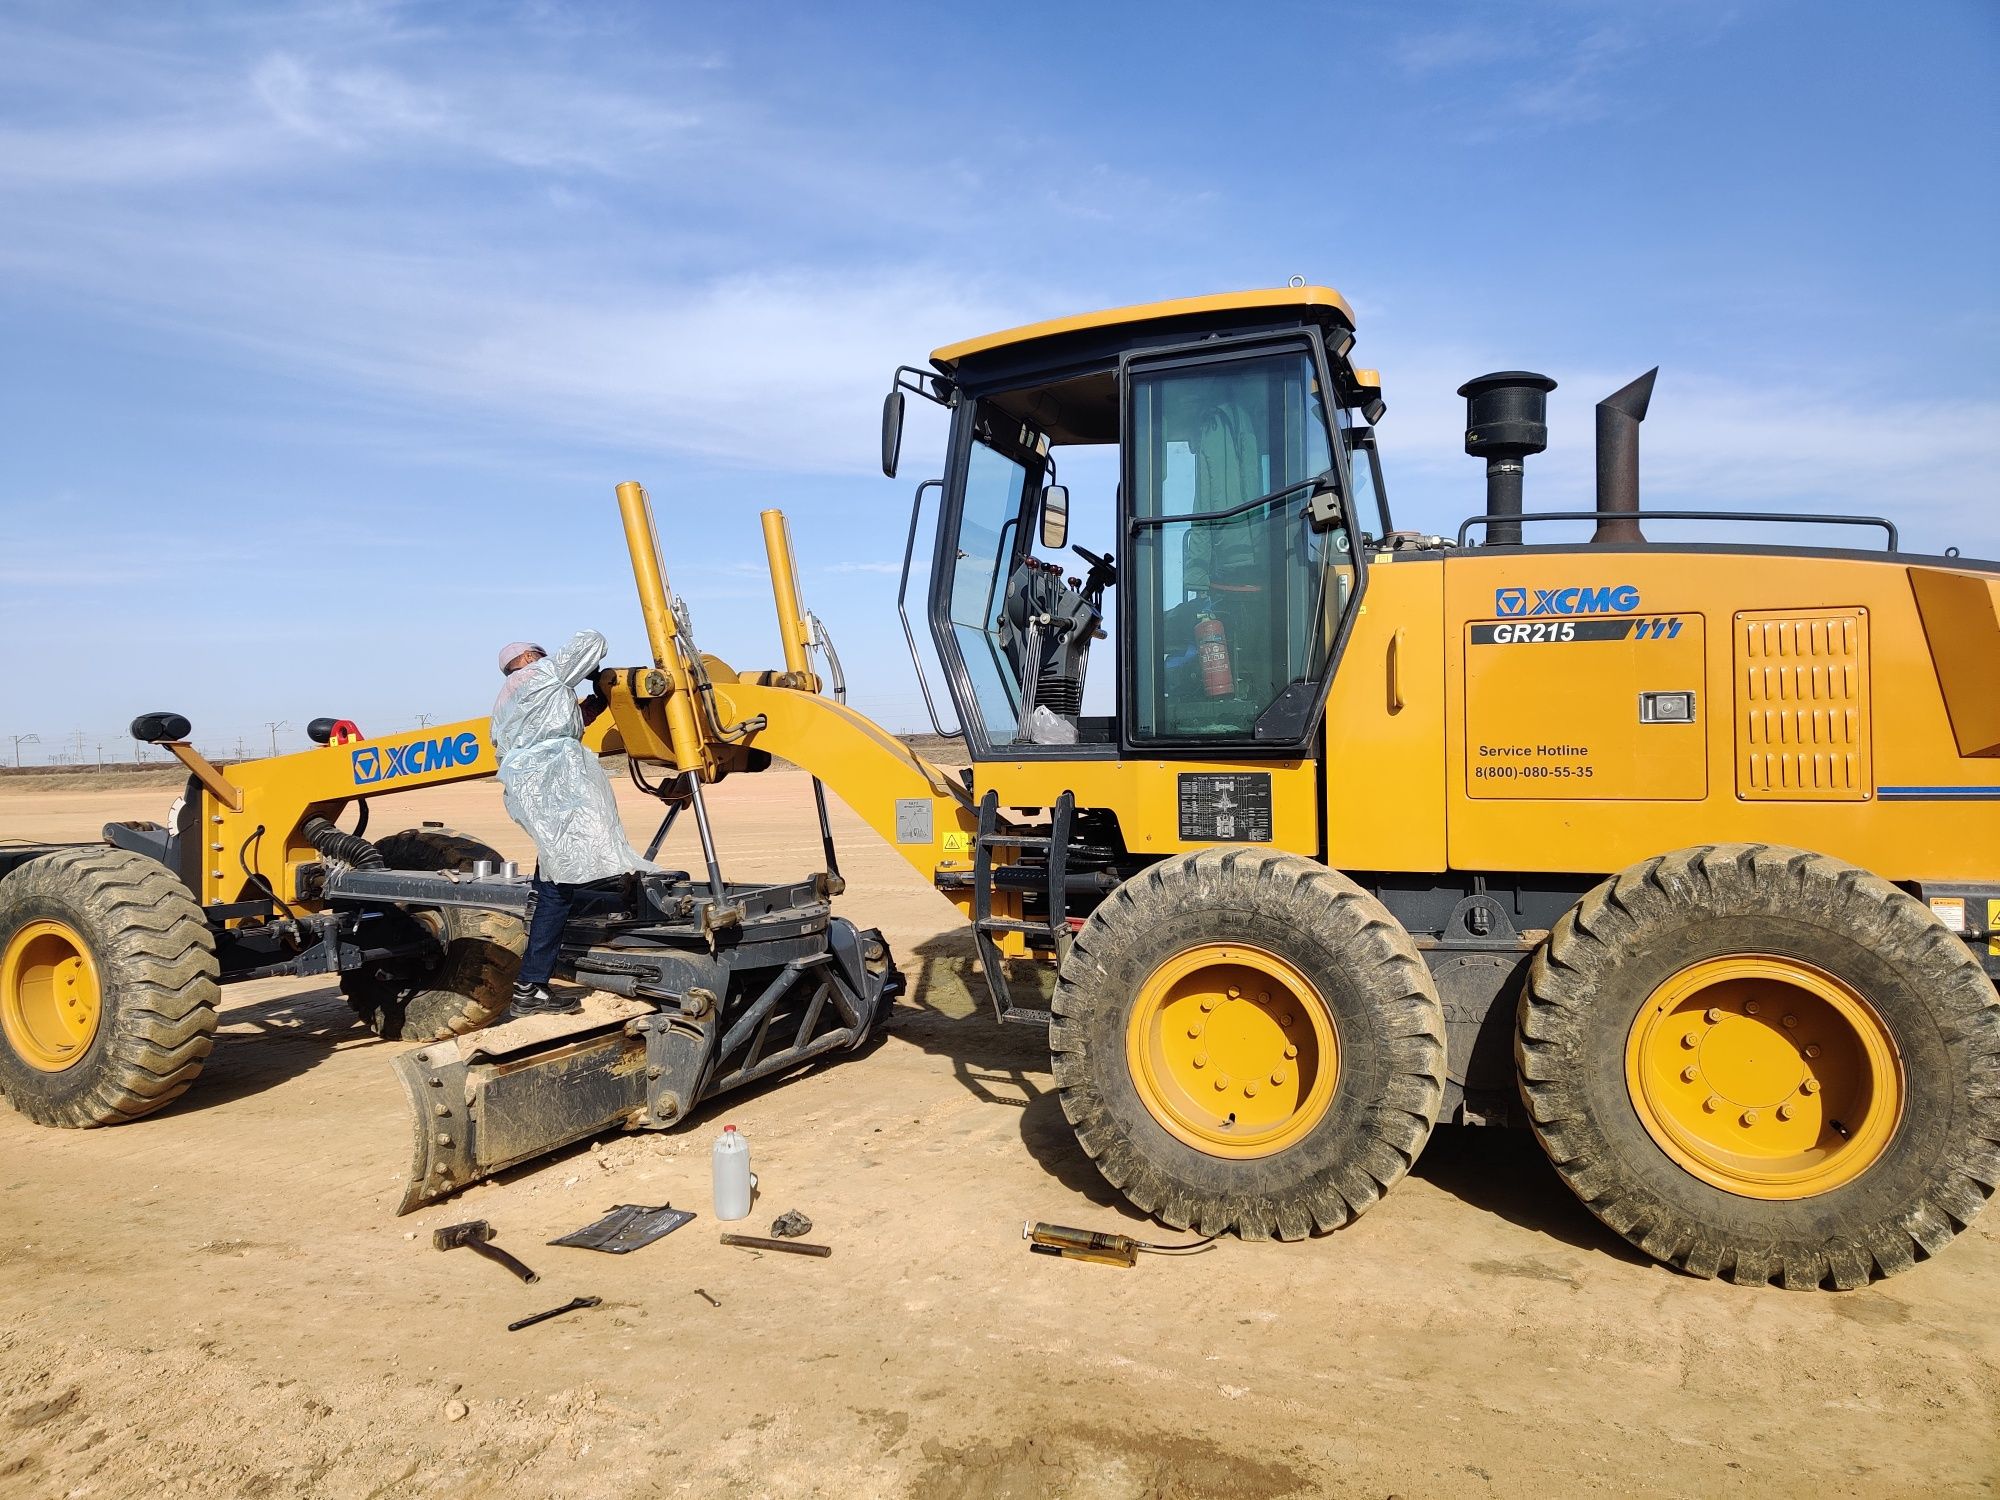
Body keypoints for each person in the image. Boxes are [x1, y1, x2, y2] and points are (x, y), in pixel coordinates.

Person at [492, 633, 654, 1015]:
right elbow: (594, 639)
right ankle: (530, 988)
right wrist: (594, 674)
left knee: (557, 872)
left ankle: (533, 981)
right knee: (560, 883)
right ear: (530, 656)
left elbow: (559, 721)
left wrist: (596, 703)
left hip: (532, 786)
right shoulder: (541, 673)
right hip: (554, 782)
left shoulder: (508, 701)